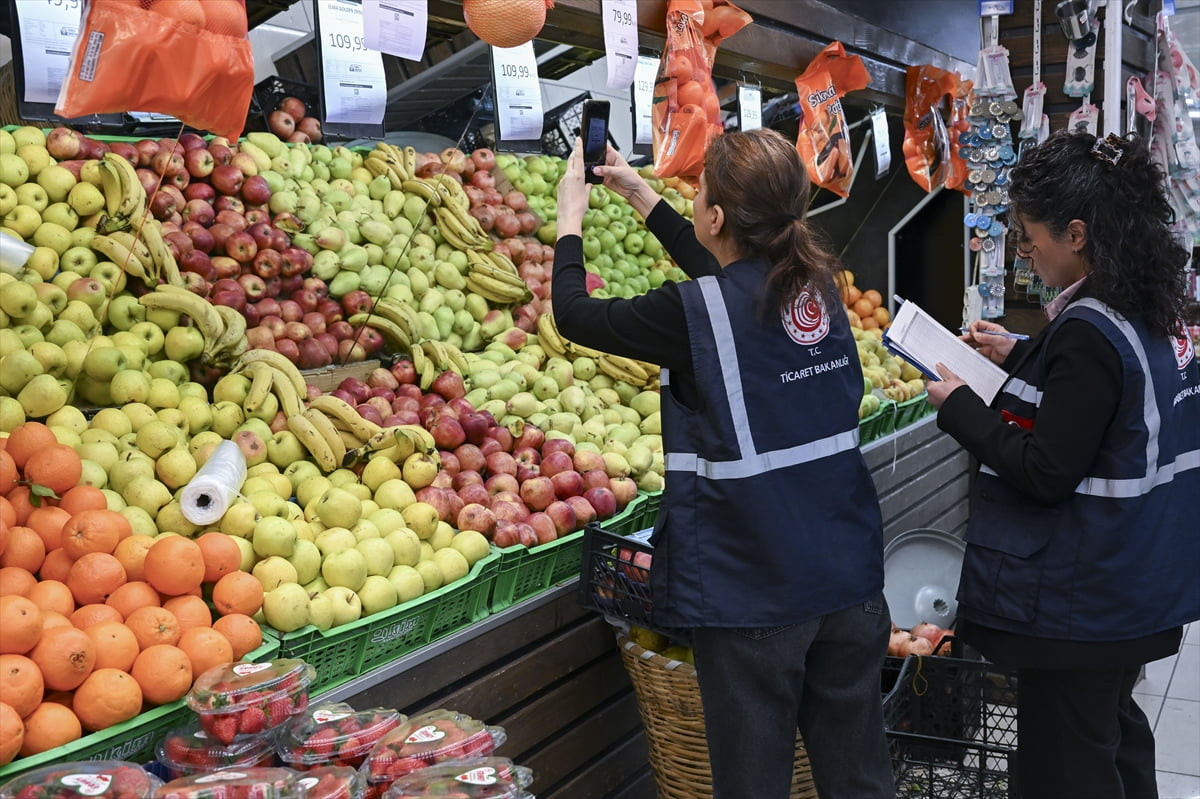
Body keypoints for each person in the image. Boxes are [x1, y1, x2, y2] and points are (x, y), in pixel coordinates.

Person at [553, 129, 895, 799]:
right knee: (860, 780)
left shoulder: (689, 315)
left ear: (714, 217)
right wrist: (640, 193)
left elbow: (573, 314)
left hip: (756, 590)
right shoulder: (816, 285)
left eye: (700, 194)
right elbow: (728, 281)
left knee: (752, 785)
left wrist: (571, 217)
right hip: (848, 577)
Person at [926, 130, 1200, 799]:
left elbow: (1046, 470)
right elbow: (1107, 401)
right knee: (1114, 735)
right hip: (1136, 581)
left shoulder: (1087, 329)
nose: (1023, 250)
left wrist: (960, 405)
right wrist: (1022, 350)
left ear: (1076, 233)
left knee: (1066, 768)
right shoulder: (1147, 304)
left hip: (1085, 598)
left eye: (1029, 235)